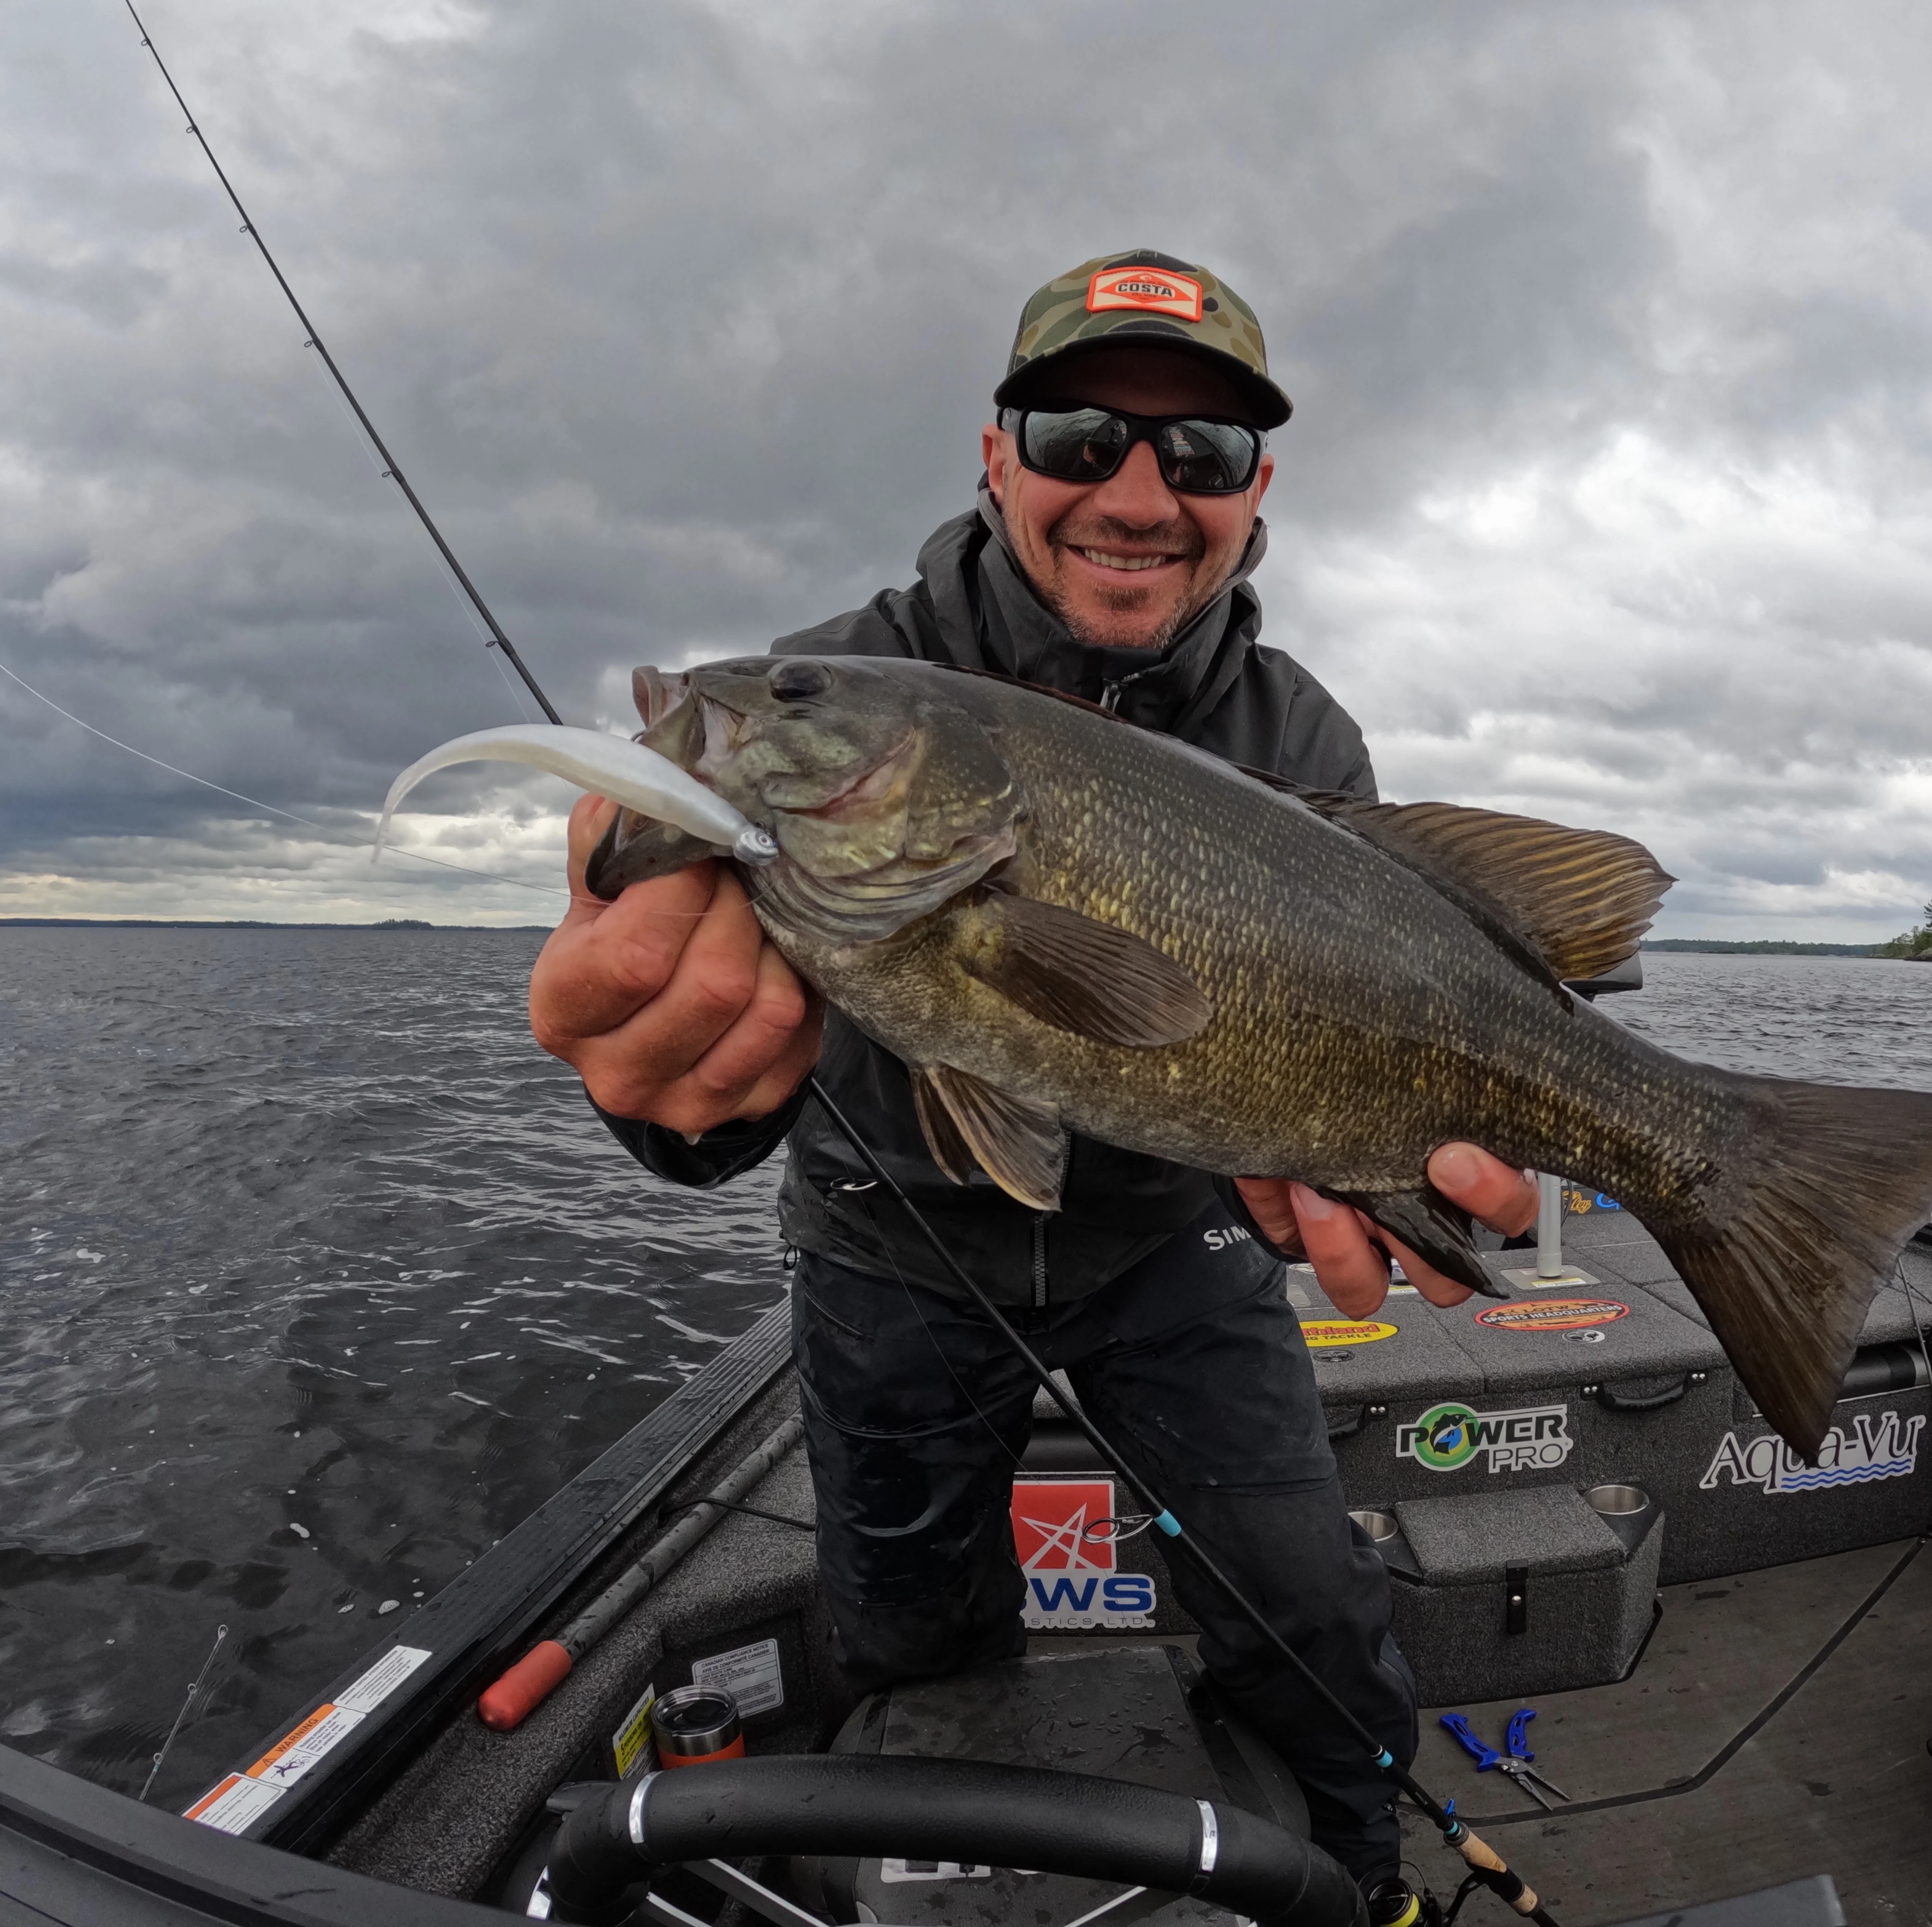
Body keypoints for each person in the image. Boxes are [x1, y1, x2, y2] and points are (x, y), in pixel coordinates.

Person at [528, 251, 1541, 1921]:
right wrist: (662, 1101)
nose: (1139, 490)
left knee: (1311, 1608)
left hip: (1169, 1237)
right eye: (1081, 434)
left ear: (1253, 492)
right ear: (996, 455)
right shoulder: (831, 688)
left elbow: (1301, 1077)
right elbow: (700, 1075)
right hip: (887, 1238)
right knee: (907, 1627)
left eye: (1200, 455)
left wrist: (1336, 1169)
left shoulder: (1303, 743)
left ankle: (1359, 1890)